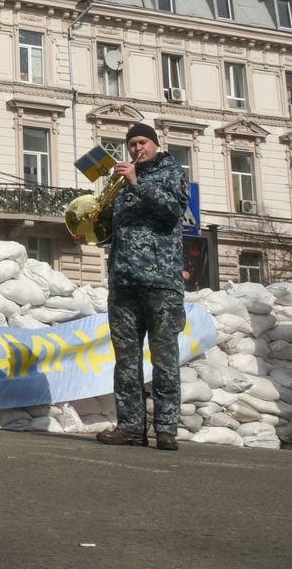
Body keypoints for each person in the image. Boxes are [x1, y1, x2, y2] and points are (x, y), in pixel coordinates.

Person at [94, 122, 189, 451]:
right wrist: (91, 232)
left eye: (142, 142)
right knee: (126, 360)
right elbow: (118, 227)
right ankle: (131, 427)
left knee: (164, 358)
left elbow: (173, 210)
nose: (136, 149)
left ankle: (166, 429)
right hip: (123, 282)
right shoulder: (120, 180)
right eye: (131, 144)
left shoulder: (171, 171)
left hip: (161, 282)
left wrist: (135, 182)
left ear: (155, 144)